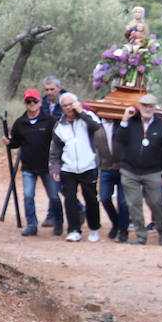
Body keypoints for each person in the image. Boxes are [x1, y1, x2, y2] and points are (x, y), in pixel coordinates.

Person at [117, 94, 162, 246]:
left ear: (155, 107)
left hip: (152, 171)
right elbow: (119, 139)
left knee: (156, 203)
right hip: (129, 170)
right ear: (140, 106)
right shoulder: (131, 122)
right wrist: (124, 119)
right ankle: (141, 236)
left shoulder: (161, 124)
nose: (147, 109)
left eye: (150, 106)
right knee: (134, 204)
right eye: (144, 106)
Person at [4, 89, 63, 237]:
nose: (31, 104)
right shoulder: (20, 123)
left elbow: (59, 141)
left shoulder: (50, 121)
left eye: (34, 101)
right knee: (28, 196)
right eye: (28, 101)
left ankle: (59, 222)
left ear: (40, 103)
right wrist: (9, 143)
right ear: (25, 103)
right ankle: (32, 225)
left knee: (54, 196)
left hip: (47, 167)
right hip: (28, 167)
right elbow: (16, 143)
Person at [49, 92, 103, 243]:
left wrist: (81, 111)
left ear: (76, 103)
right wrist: (55, 168)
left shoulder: (87, 117)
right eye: (65, 105)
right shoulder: (59, 126)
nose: (68, 108)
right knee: (70, 199)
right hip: (68, 168)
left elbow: (96, 127)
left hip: (88, 165)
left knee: (91, 199)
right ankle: (74, 230)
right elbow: (55, 150)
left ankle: (93, 228)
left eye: (70, 104)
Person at [94, 114, 131, 243]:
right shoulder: (97, 125)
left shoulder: (121, 124)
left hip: (122, 168)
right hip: (105, 168)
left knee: (123, 202)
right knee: (104, 198)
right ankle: (116, 223)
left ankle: (124, 230)